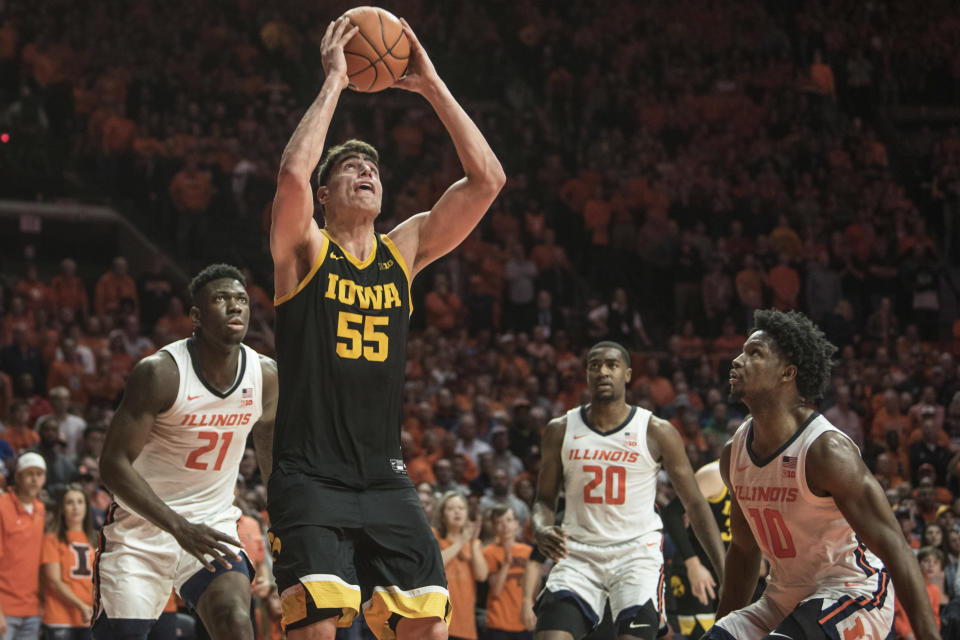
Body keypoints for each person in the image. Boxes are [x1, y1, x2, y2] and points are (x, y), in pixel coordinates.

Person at [266, 13, 504, 640]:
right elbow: (292, 174)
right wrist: (337, 81)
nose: (367, 172)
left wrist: (430, 85)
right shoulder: (305, 252)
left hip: (385, 477)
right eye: (350, 169)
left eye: (372, 168)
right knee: (318, 630)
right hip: (311, 476)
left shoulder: (404, 253)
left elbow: (488, 180)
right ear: (325, 194)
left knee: (428, 625)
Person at [704, 309, 939, 639]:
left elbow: (895, 546)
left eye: (753, 353)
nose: (737, 360)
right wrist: (722, 630)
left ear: (787, 373)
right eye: (742, 351)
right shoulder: (735, 453)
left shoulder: (826, 451)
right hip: (784, 597)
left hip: (854, 591)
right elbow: (743, 551)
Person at [94, 264, 278, 640]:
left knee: (236, 621)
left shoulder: (265, 375)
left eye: (241, 299)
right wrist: (179, 528)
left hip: (212, 525)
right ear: (195, 316)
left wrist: (285, 519)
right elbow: (112, 466)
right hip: (142, 528)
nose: (235, 307)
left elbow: (270, 450)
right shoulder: (160, 373)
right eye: (221, 299)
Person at [532, 341, 725, 640]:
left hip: (636, 555)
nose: (603, 372)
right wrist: (541, 527)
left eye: (612, 365)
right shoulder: (560, 429)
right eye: (595, 365)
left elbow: (695, 504)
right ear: (586, 375)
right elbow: (543, 500)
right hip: (579, 553)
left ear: (628, 374)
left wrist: (724, 571)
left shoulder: (656, 430)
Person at [42, 483, 97, 640]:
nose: (75, 507)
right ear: (62, 508)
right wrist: (82, 606)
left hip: (89, 617)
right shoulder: (52, 538)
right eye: (70, 502)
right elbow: (53, 581)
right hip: (59, 616)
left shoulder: (95, 539)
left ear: (87, 507)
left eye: (80, 502)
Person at [434, 492, 488, 640]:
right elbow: (436, 564)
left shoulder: (473, 543)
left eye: (461, 508)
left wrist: (473, 542)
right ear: (442, 516)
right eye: (451, 508)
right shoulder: (434, 537)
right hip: (439, 622)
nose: (457, 511)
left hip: (466, 625)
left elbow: (482, 575)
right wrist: (461, 541)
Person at [483, 506, 534, 640]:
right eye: (499, 522)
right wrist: (506, 564)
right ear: (494, 527)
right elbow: (496, 590)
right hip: (498, 621)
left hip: (525, 621)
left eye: (509, 520)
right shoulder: (489, 551)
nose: (505, 525)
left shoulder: (528, 552)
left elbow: (536, 589)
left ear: (517, 524)